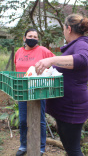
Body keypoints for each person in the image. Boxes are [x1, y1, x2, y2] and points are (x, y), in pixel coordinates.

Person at [35, 14, 88, 156]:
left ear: (68, 29)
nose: (63, 32)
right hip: (66, 107)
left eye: (63, 28)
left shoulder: (81, 44)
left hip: (73, 108)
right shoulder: (74, 46)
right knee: (70, 149)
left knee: (73, 150)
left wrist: (52, 60)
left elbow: (82, 60)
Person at [14, 28, 55, 156]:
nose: (33, 38)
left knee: (40, 119)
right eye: (30, 36)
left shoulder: (42, 50)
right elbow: (17, 68)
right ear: (24, 38)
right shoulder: (18, 52)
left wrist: (48, 76)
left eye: (35, 36)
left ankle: (41, 147)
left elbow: (55, 62)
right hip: (23, 89)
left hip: (38, 89)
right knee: (22, 120)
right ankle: (23, 145)